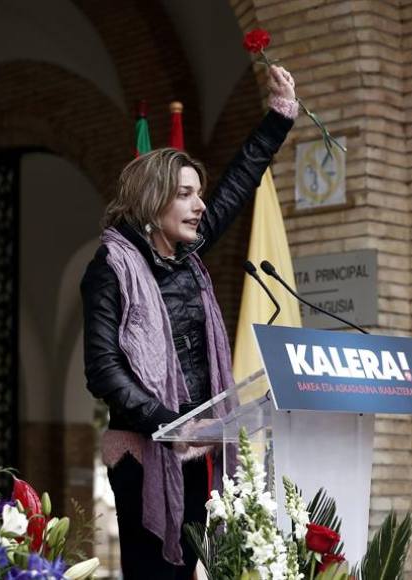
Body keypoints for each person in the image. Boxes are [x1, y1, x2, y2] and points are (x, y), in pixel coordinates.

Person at [81, 65, 298, 579]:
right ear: (152, 199)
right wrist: (169, 423)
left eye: (198, 193)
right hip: (144, 455)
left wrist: (279, 117)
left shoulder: (188, 256)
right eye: (185, 194)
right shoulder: (110, 267)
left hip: (200, 449)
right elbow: (103, 370)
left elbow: (236, 187)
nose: (200, 205)